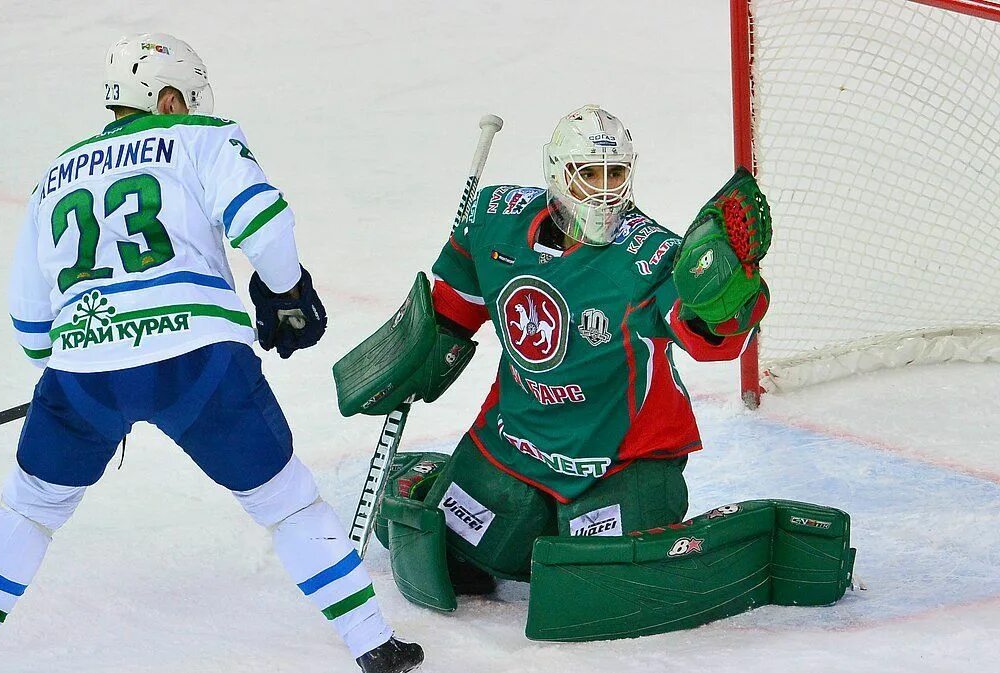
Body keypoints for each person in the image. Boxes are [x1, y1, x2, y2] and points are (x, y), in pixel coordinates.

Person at [0, 33, 424, 673]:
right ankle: (378, 650)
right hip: (200, 364)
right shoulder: (201, 138)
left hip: (83, 372)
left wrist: (85, 371)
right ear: (166, 99)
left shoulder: (54, 176)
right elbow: (264, 223)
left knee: (29, 506)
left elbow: (30, 324)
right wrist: (284, 290)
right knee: (288, 504)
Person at [335, 105, 852, 639]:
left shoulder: (651, 256)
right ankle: (452, 483)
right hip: (516, 439)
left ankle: (629, 509)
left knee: (600, 574)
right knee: (464, 558)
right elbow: (457, 299)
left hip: (623, 455)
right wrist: (423, 349)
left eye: (616, 173)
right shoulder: (494, 218)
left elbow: (710, 341)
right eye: (590, 174)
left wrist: (724, 298)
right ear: (558, 173)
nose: (605, 192)